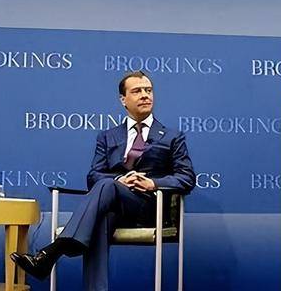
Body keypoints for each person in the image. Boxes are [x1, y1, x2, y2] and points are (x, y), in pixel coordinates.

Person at [11, 71, 196, 291]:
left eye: (148, 90)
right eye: (137, 91)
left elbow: (186, 177)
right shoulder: (108, 136)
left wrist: (153, 184)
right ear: (123, 100)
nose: (145, 95)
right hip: (111, 205)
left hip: (148, 206)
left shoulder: (172, 136)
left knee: (105, 189)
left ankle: (52, 252)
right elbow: (94, 175)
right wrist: (120, 179)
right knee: (100, 215)